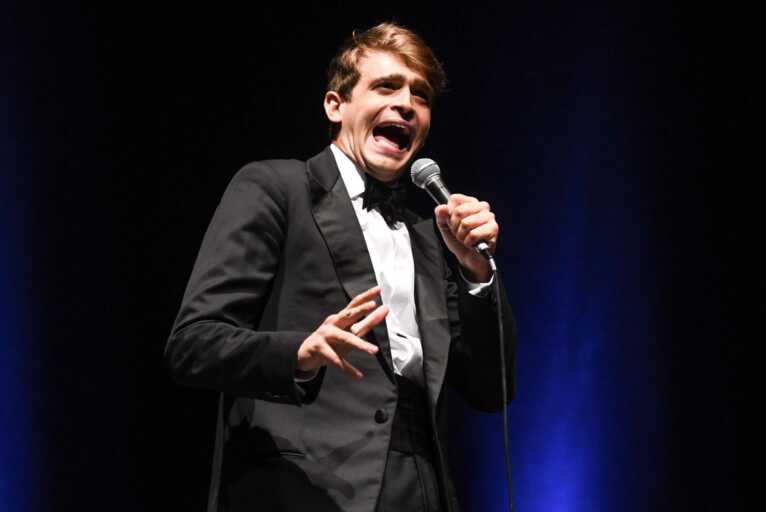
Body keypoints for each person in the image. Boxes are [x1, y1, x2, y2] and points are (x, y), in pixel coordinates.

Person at [166, 22, 516, 512]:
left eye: (420, 95)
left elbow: (491, 390)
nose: (406, 104)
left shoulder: (430, 240)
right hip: (303, 488)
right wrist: (298, 353)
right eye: (386, 86)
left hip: (419, 489)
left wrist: (477, 274)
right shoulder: (277, 188)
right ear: (336, 105)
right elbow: (193, 344)